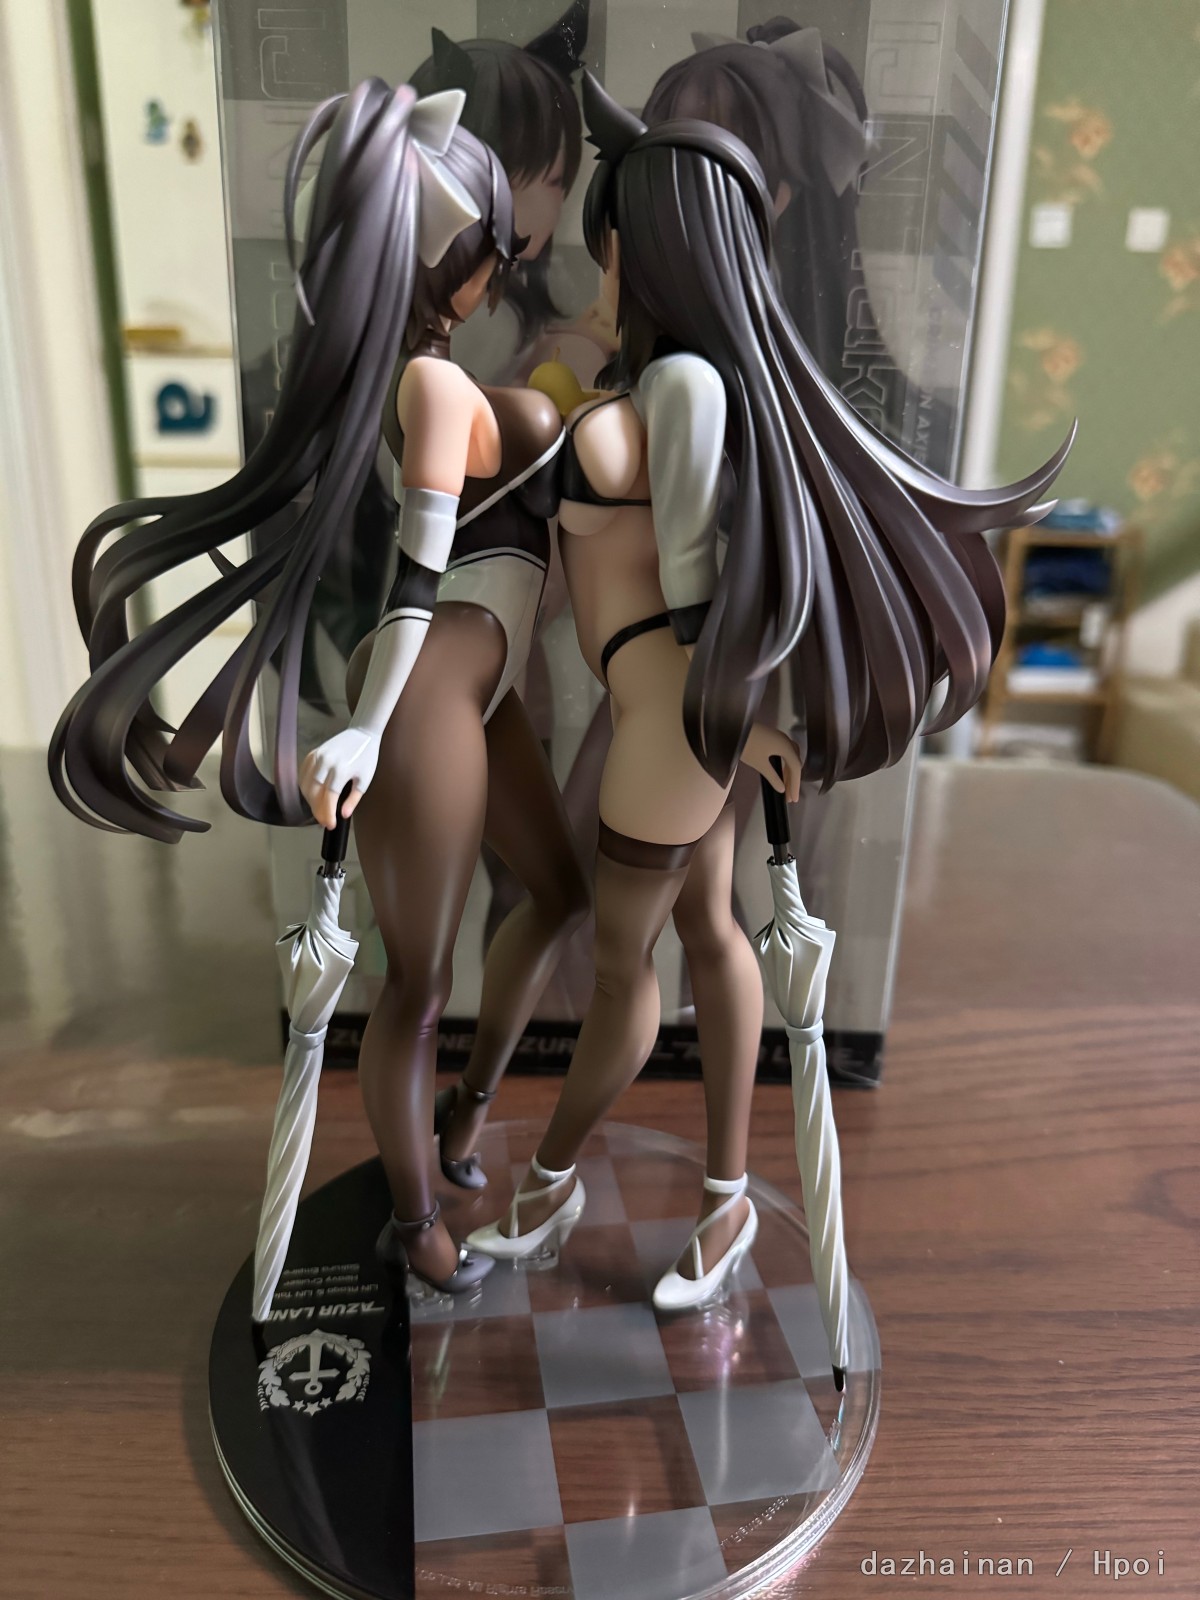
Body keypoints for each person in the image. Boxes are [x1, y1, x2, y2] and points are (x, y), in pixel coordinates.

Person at [465, 74, 1073, 1305]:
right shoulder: (657, 377)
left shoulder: (683, 388)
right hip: (669, 712)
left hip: (668, 719)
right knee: (710, 929)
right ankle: (728, 1199)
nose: (602, 259)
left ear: (653, 242)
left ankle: (550, 1181)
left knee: (624, 969)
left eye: (614, 237)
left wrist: (733, 723)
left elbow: (698, 585)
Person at [50, 81, 588, 1296]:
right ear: (442, 253)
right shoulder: (432, 388)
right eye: (490, 244)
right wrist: (369, 730)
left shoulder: (422, 375)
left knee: (556, 892)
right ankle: (417, 1220)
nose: (502, 266)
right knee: (420, 981)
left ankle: (462, 1115)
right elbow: (415, 582)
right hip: (429, 691)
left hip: (474, 686)